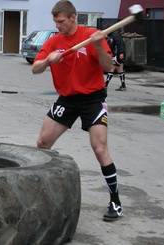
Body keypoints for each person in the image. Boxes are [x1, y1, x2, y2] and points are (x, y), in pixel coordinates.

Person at [32, 0, 123, 221]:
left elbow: (108, 67)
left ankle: (115, 201)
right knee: (42, 143)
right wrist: (48, 61)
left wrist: (100, 45)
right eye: (55, 21)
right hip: (67, 99)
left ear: (74, 17)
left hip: (93, 99)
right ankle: (37, 192)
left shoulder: (91, 35)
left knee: (99, 148)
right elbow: (35, 68)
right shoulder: (54, 40)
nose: (58, 25)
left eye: (61, 21)